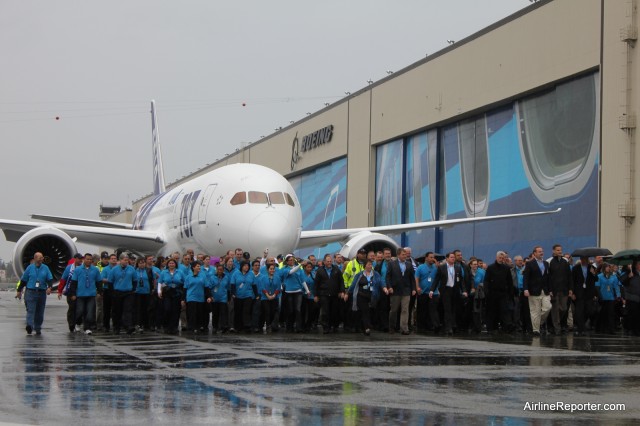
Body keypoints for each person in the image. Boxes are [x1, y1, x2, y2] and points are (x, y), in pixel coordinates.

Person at [16, 252, 53, 335]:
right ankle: (29, 326)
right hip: (31, 292)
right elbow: (24, 280)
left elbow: (50, 279)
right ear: (35, 258)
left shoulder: (46, 268)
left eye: (42, 258)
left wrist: (49, 287)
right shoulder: (29, 268)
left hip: (41, 292)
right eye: (40, 258)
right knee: (30, 310)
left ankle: (38, 327)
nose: (41, 259)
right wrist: (19, 290)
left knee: (40, 312)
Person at [430, 252, 465, 336]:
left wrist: (464, 290)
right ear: (447, 258)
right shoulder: (442, 267)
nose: (453, 258)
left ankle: (453, 325)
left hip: (455, 290)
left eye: (453, 257)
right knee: (447, 309)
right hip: (445, 290)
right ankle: (448, 328)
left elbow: (461, 281)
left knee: (453, 308)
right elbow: (436, 280)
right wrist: (432, 290)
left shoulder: (457, 267)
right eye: (451, 257)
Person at [69, 253, 103, 335]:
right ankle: (78, 323)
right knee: (80, 311)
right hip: (80, 294)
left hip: (91, 294)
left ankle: (87, 328)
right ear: (84, 259)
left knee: (90, 312)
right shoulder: (78, 270)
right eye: (87, 259)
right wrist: (73, 294)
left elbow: (99, 282)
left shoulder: (95, 270)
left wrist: (100, 292)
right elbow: (73, 283)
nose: (89, 261)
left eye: (90, 259)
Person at [347, 260, 383, 335]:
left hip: (372, 296)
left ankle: (363, 326)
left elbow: (381, 282)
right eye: (369, 264)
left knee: (368, 312)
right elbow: (353, 284)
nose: (370, 266)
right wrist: (347, 293)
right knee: (365, 311)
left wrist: (384, 287)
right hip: (361, 295)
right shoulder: (359, 275)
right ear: (365, 266)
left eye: (371, 265)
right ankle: (367, 328)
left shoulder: (376, 274)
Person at [483, 251, 515, 333]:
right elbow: (486, 281)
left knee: (504, 310)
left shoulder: (506, 268)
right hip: (492, 293)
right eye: (500, 258)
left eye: (503, 258)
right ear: (496, 258)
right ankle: (491, 328)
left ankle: (507, 326)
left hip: (503, 293)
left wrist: (510, 293)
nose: (501, 259)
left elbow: (510, 282)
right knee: (492, 311)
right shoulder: (490, 268)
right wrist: (486, 292)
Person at [523, 246, 551, 337]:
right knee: (535, 311)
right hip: (533, 290)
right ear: (534, 253)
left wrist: (550, 290)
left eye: (542, 251)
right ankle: (536, 330)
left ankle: (540, 322)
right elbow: (526, 277)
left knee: (548, 307)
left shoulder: (546, 263)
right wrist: (526, 289)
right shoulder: (529, 263)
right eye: (539, 251)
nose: (541, 253)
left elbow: (548, 278)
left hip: (545, 290)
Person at [387, 247, 416, 335]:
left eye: (405, 254)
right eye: (403, 255)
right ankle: (392, 327)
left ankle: (404, 328)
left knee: (405, 310)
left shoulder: (409, 265)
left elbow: (412, 278)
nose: (405, 256)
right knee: (394, 310)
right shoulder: (392, 264)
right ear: (398, 255)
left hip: (406, 290)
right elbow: (388, 277)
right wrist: (389, 286)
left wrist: (413, 288)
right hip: (395, 290)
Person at [314, 254, 344, 334]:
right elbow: (316, 284)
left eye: (330, 261)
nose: (329, 263)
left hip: (334, 294)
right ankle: (325, 327)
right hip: (324, 294)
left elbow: (341, 281)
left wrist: (341, 291)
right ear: (324, 262)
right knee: (325, 311)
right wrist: (316, 295)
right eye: (328, 261)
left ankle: (333, 326)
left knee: (334, 311)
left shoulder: (336, 269)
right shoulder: (320, 270)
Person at [280, 255, 310, 332]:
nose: (291, 261)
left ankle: (299, 327)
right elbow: (291, 272)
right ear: (286, 262)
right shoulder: (284, 269)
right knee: (290, 310)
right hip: (288, 292)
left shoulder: (299, 269)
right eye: (289, 260)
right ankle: (289, 327)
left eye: (292, 260)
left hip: (298, 292)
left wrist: (307, 290)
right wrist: (301, 264)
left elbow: (302, 280)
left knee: (298, 310)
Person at [570, 256, 598, 335]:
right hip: (579, 292)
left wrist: (593, 273)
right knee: (579, 311)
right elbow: (572, 280)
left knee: (589, 310)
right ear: (581, 259)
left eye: (586, 259)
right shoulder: (576, 268)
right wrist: (572, 292)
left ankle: (581, 325)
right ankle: (580, 328)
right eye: (583, 259)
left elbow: (596, 279)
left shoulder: (591, 267)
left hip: (589, 293)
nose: (584, 261)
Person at [548, 244, 572, 334]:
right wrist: (550, 290)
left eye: (560, 250)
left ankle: (556, 323)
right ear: (553, 251)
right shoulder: (550, 262)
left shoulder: (565, 262)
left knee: (563, 308)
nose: (560, 251)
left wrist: (570, 289)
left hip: (564, 290)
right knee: (555, 310)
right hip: (554, 290)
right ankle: (557, 328)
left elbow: (569, 276)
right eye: (558, 250)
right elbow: (548, 277)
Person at [158, 258, 184, 334]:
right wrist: (160, 291)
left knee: (176, 311)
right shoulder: (164, 272)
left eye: (173, 263)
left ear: (175, 264)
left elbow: (184, 282)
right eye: (170, 263)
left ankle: (174, 327)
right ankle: (166, 326)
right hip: (167, 293)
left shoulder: (180, 272)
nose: (171, 265)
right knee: (167, 309)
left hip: (177, 293)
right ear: (167, 264)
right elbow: (160, 282)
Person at [183, 261, 210, 333]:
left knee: (199, 313)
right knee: (192, 312)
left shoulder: (203, 276)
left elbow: (206, 287)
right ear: (193, 267)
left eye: (199, 266)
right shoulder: (188, 277)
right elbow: (185, 288)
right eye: (197, 266)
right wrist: (183, 299)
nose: (199, 267)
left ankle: (197, 326)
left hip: (200, 297)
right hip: (191, 297)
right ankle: (191, 327)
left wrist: (208, 296)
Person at [230, 261, 257, 332]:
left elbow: (254, 285)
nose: (246, 267)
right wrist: (233, 293)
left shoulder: (251, 274)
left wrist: (256, 295)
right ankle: (238, 326)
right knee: (238, 311)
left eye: (247, 265)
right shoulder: (236, 273)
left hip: (248, 295)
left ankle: (247, 326)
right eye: (245, 265)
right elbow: (232, 284)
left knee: (246, 311)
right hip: (238, 296)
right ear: (241, 266)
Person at [59, 254, 83, 332]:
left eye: (81, 259)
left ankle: (78, 323)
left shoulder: (83, 268)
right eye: (79, 259)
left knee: (80, 309)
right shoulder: (69, 268)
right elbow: (63, 279)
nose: (81, 260)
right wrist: (60, 291)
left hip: (80, 292)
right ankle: (71, 325)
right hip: (70, 291)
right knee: (72, 308)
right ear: (75, 259)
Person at [415, 252, 438, 333]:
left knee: (431, 309)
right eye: (431, 257)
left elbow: (438, 278)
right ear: (426, 258)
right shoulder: (420, 267)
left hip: (433, 292)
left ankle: (430, 325)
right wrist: (417, 287)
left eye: (433, 257)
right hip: (423, 292)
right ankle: (421, 325)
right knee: (422, 309)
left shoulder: (435, 267)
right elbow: (417, 278)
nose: (432, 259)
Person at [595, 263, 621, 334]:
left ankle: (611, 329)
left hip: (611, 297)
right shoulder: (599, 276)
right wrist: (599, 296)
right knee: (603, 313)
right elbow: (597, 287)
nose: (608, 268)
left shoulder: (614, 277)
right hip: (603, 297)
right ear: (603, 268)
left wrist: (618, 295)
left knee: (611, 314)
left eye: (609, 267)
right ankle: (601, 328)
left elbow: (616, 287)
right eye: (606, 267)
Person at [256, 263, 281, 332]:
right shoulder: (263, 278)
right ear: (267, 270)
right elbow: (262, 287)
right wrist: (267, 296)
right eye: (271, 269)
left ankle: (272, 324)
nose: (272, 270)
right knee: (267, 311)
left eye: (273, 269)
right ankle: (268, 325)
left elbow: (278, 288)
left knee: (273, 311)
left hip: (274, 297)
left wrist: (274, 295)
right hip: (265, 297)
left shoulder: (277, 278)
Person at [620, 259, 640, 336]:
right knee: (631, 314)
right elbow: (622, 281)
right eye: (639, 264)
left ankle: (637, 330)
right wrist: (628, 276)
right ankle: (629, 329)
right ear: (636, 265)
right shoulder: (630, 272)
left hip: (638, 297)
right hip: (631, 297)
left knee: (638, 315)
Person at [133, 257, 154, 333]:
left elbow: (152, 280)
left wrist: (152, 289)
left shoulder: (148, 270)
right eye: (140, 263)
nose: (142, 264)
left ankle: (147, 324)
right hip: (137, 292)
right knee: (138, 309)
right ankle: (138, 324)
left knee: (147, 309)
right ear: (137, 264)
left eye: (143, 263)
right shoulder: (134, 271)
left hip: (146, 292)